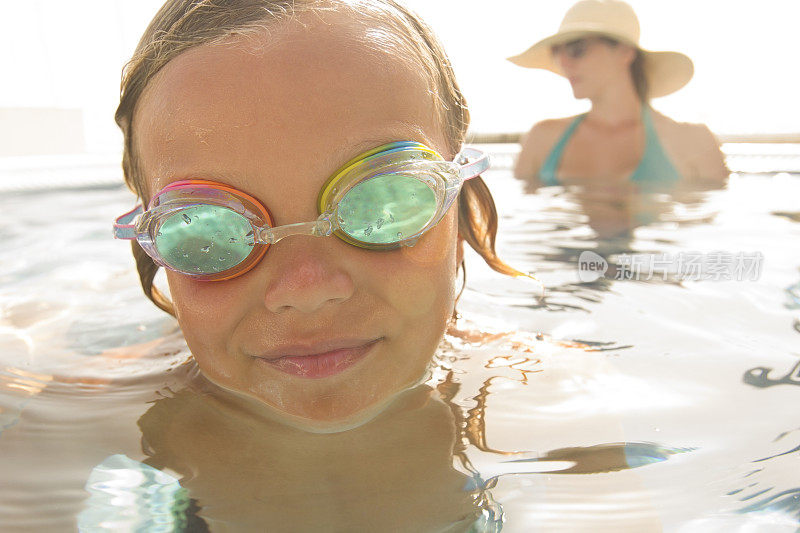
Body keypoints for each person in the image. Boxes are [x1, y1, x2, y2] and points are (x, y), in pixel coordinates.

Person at [111, 0, 520, 433]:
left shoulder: (559, 399)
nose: (306, 290)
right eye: (208, 233)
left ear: (460, 214)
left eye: (383, 202)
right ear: (153, 247)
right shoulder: (103, 421)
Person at [508, 0, 729, 191]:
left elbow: (714, 235)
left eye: (577, 49)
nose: (564, 63)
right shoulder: (542, 139)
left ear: (625, 51)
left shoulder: (693, 141)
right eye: (557, 52)